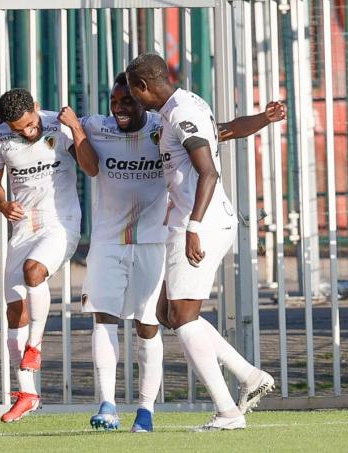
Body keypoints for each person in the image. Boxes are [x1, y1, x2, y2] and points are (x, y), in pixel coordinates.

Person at [57, 72, 285, 433]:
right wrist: (1, 124)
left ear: (142, 94)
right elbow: (53, 128)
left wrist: (262, 119)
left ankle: (159, 411)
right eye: (114, 101)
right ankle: (245, 376)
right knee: (160, 315)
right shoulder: (101, 127)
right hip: (116, 239)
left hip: (167, 235)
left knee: (165, 321)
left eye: (128, 99)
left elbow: (222, 137)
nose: (119, 108)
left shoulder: (166, 124)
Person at [125, 53, 277, 432]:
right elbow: (226, 130)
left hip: (199, 225)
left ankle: (228, 412)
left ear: (142, 86)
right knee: (168, 313)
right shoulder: (185, 105)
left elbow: (207, 172)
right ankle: (249, 375)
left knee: (183, 318)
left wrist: (193, 226)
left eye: (132, 92)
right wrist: (264, 118)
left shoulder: (180, 113)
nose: (132, 100)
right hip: (197, 222)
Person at [0, 88, 96, 423]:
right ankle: (28, 395)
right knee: (14, 311)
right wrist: (2, 203)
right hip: (23, 228)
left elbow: (91, 166)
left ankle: (34, 347)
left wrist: (76, 128)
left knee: (34, 271)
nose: (28, 131)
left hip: (60, 222)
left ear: (36, 107)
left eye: (30, 123)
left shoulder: (58, 126)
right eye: (19, 129)